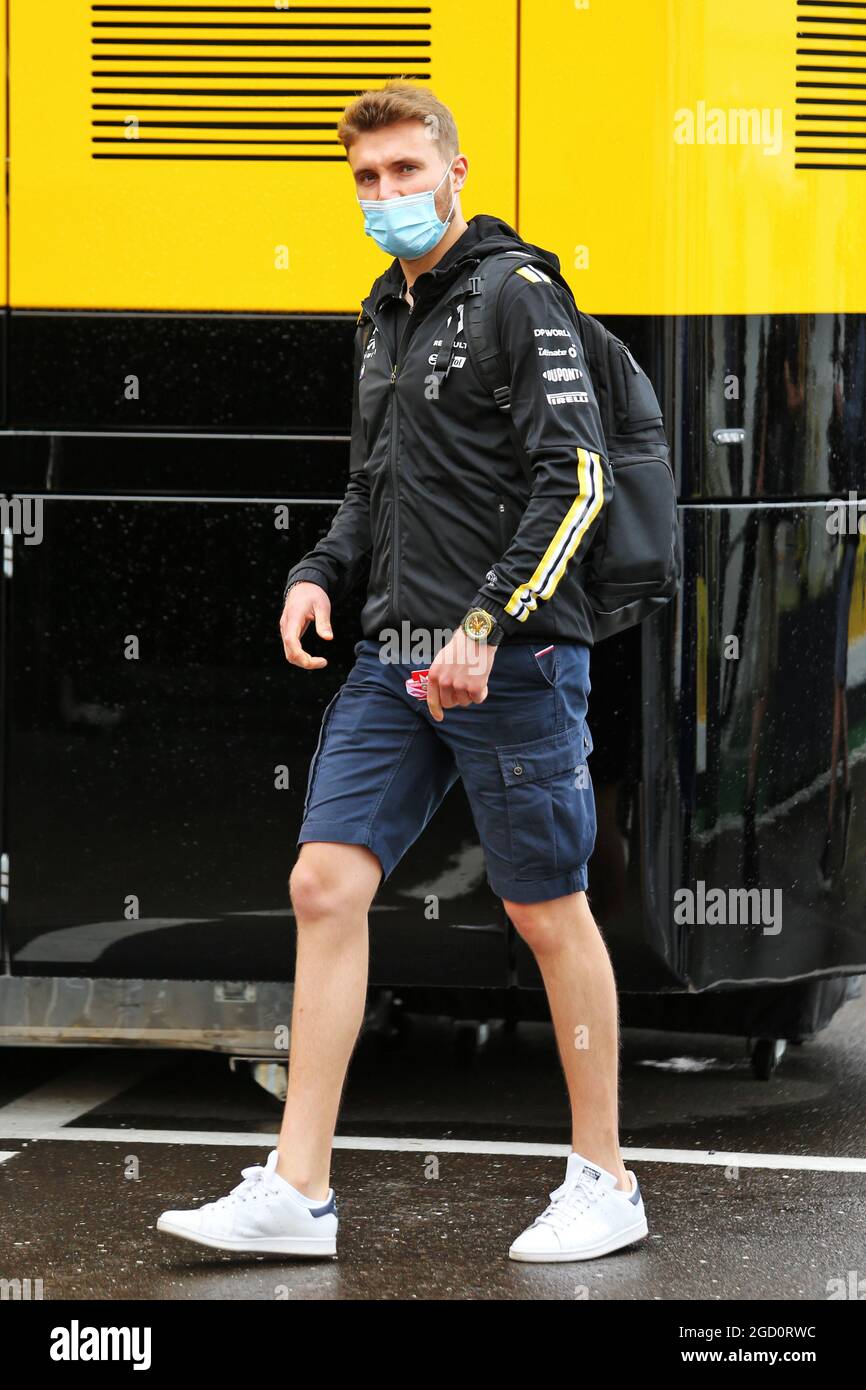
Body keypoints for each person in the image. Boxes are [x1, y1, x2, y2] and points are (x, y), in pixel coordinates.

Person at [157, 80, 647, 1265]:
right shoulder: (385, 312)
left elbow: (573, 478)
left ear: (454, 172)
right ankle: (297, 1187)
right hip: (396, 651)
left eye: (405, 173)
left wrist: (487, 622)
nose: (386, 196)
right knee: (324, 883)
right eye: (367, 179)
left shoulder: (516, 295)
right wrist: (318, 570)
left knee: (543, 907)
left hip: (510, 654)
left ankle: (604, 1177)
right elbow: (370, 486)